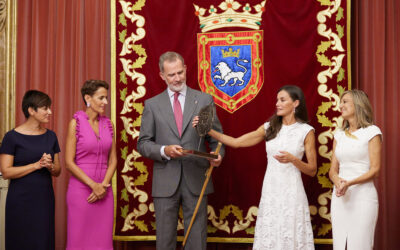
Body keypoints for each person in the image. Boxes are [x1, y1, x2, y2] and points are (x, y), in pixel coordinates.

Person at [193, 85, 317, 249]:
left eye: (282, 100)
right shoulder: (269, 128)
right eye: (277, 100)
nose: (277, 104)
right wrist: (208, 130)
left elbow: (312, 170)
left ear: (295, 103)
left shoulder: (306, 131)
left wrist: (293, 160)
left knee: (290, 231)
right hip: (271, 190)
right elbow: (236, 142)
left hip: (292, 192)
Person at [137, 51, 224, 250]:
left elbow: (218, 138)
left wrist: (219, 156)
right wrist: (164, 150)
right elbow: (143, 143)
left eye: (179, 72)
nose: (177, 78)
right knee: (165, 240)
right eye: (171, 75)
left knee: (197, 239)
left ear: (185, 69)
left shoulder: (204, 100)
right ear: (162, 76)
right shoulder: (152, 105)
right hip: (165, 180)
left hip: (196, 178)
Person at [0, 90, 61, 250]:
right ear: (31, 110)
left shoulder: (51, 136)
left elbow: (58, 171)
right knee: (20, 240)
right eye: (45, 108)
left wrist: (50, 166)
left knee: (43, 241)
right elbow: (6, 172)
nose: (50, 112)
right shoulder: (11, 137)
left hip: (44, 199)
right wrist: (36, 165)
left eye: (50, 107)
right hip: (20, 200)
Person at [65, 80, 117, 250]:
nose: (106, 102)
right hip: (81, 191)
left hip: (105, 190)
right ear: (88, 98)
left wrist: (103, 186)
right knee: (78, 240)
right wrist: (93, 185)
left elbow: (113, 160)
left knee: (102, 241)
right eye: (101, 98)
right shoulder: (76, 123)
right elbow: (68, 162)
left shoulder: (109, 124)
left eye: (106, 98)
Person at [329, 89, 382, 250]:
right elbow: (332, 170)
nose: (341, 105)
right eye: (341, 101)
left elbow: (375, 170)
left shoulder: (372, 132)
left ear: (358, 104)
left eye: (345, 101)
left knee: (361, 244)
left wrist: (349, 183)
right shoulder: (339, 135)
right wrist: (338, 181)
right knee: (339, 245)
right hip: (340, 197)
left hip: (363, 197)